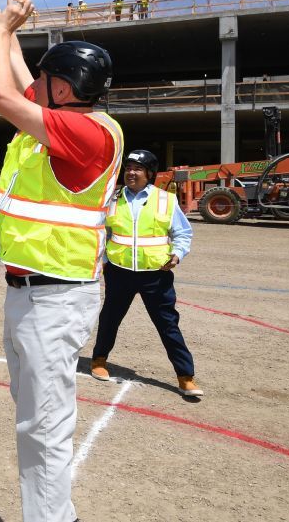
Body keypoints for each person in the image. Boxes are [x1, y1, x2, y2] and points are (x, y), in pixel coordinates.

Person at [0, 0, 122, 522]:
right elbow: (16, 66)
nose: (33, 83)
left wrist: (1, 31)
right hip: (30, 295)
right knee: (35, 421)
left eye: (45, 80)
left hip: (56, 300)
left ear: (63, 89)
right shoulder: (62, 114)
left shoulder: (85, 133)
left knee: (44, 430)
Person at [89, 149, 202, 397]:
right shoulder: (113, 198)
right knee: (110, 318)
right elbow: (100, 231)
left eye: (137, 169)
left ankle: (186, 377)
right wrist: (105, 260)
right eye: (128, 168)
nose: (131, 173)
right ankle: (98, 360)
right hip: (120, 273)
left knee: (168, 324)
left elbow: (183, 232)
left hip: (156, 273)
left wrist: (178, 254)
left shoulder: (165, 200)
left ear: (149, 174)